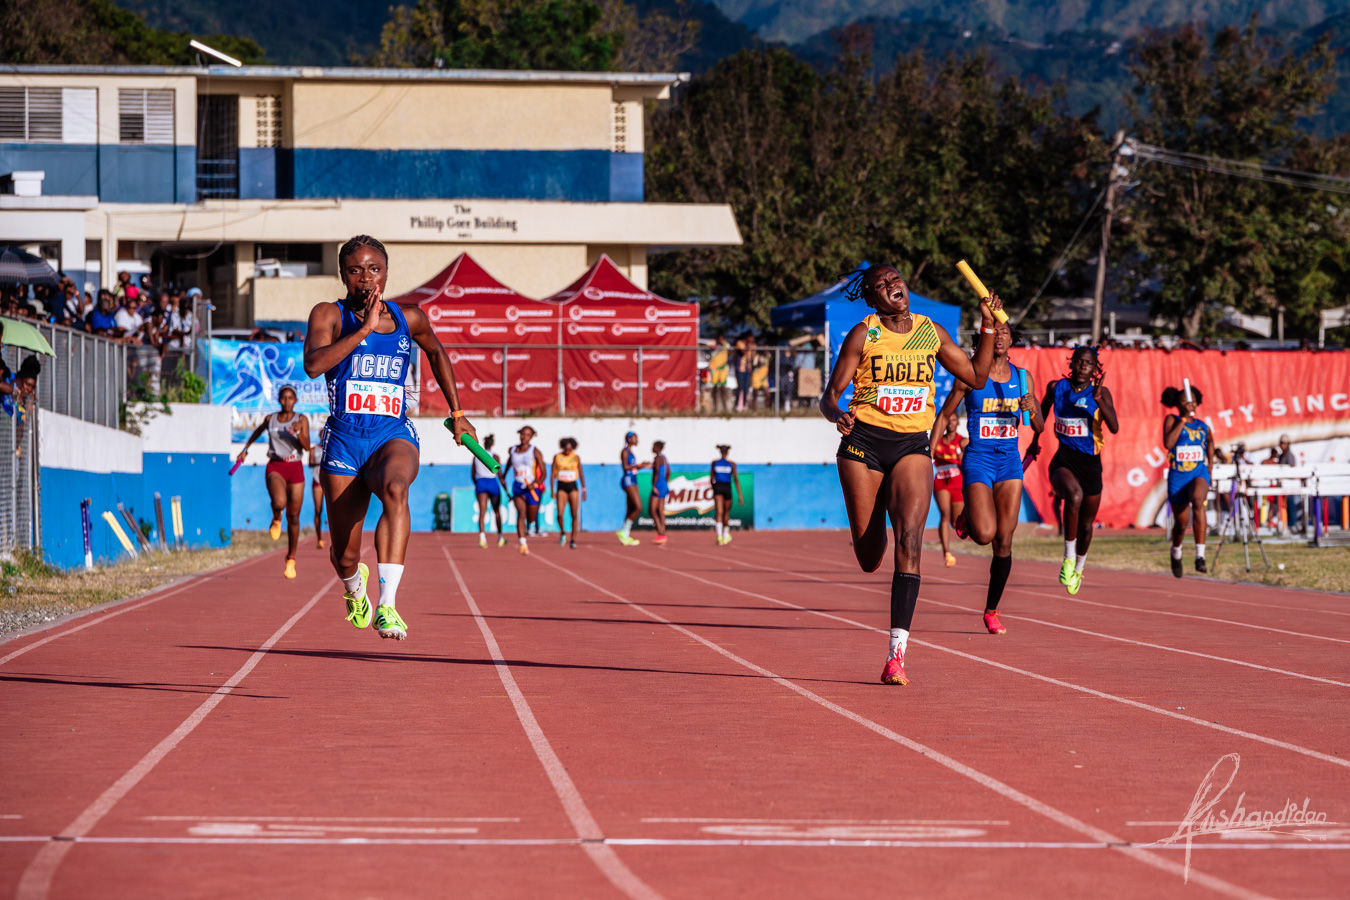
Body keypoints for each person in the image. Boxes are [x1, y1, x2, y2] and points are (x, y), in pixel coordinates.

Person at [821, 264, 1000, 686]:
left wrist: (988, 326)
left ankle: (895, 655)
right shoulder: (864, 334)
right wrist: (836, 414)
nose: (891, 287)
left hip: (910, 445)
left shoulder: (929, 331)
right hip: (863, 444)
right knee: (869, 558)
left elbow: (976, 377)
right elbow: (829, 397)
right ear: (872, 299)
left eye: (894, 280)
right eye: (881, 286)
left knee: (910, 541)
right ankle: (881, 504)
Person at [303, 234, 477, 641]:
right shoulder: (329, 314)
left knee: (397, 489)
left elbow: (436, 352)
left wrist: (458, 413)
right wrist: (363, 329)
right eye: (355, 270)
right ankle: (354, 588)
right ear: (342, 275)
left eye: (374, 269)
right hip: (344, 440)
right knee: (344, 555)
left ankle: (388, 605)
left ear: (386, 272)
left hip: (391, 432)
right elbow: (313, 365)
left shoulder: (408, 318)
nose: (366, 277)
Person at [934, 321, 1043, 634]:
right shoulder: (970, 375)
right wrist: (928, 450)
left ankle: (992, 610)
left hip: (1009, 462)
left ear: (1012, 340)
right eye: (994, 332)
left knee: (1004, 541)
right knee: (983, 534)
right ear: (985, 338)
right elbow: (945, 414)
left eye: (1005, 332)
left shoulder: (1022, 378)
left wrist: (1032, 408)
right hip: (979, 460)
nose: (999, 337)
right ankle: (969, 515)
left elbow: (1038, 427)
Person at [1024, 345, 1119, 595]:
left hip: (1091, 464)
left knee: (1087, 525)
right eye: (1078, 361)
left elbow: (1114, 427)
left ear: (1095, 369)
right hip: (1064, 460)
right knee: (1073, 496)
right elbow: (1042, 415)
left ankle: (1078, 568)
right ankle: (1067, 557)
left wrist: (1099, 400)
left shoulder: (1100, 392)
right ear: (1072, 363)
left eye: (1088, 363)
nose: (1082, 366)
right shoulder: (1057, 388)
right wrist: (1034, 442)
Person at [235, 386, 311, 579]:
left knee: (294, 516)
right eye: (283, 398)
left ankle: (291, 558)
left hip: (295, 467)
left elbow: (306, 447)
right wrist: (245, 450)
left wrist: (298, 433)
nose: (287, 401)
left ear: (295, 400)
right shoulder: (271, 419)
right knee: (279, 502)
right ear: (279, 400)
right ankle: (277, 517)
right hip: (276, 466)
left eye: (290, 398)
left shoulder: (301, 419)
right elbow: (257, 431)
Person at [1161, 384, 1213, 577]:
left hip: (1198, 473)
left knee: (1198, 500)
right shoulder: (1172, 420)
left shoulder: (1202, 425)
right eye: (1184, 401)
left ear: (1197, 403)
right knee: (1181, 523)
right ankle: (1176, 551)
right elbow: (1168, 443)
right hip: (1178, 476)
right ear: (1178, 404)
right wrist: (1183, 420)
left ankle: (1200, 555)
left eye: (1192, 401)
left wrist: (1210, 467)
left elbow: (1210, 442)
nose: (1189, 404)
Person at [929, 412, 966, 568]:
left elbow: (968, 460)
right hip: (941, 480)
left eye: (954, 420)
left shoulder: (962, 441)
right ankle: (947, 553)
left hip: (957, 481)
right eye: (948, 420)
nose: (951, 423)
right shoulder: (937, 441)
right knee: (945, 514)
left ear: (958, 423)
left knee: (956, 523)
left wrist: (961, 456)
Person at [507, 426, 545, 554]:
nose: (524, 437)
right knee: (521, 513)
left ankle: (530, 527)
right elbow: (508, 465)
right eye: (522, 434)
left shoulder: (535, 451)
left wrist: (536, 484)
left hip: (531, 488)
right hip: (518, 486)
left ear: (531, 437)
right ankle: (522, 542)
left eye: (528, 435)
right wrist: (502, 476)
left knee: (531, 518)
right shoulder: (513, 450)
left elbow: (544, 473)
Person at [473, 433, 508, 548]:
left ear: (484, 444)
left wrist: (478, 484)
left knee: (482, 512)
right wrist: (507, 492)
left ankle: (482, 538)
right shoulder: (495, 456)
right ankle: (500, 537)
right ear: (492, 444)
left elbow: (472, 475)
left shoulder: (476, 456)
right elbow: (500, 476)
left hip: (481, 482)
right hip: (492, 483)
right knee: (496, 511)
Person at [552, 437, 586, 549]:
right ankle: (563, 532)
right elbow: (552, 474)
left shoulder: (576, 457)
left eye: (570, 449)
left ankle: (573, 539)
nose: (568, 451)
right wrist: (552, 490)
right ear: (563, 447)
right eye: (566, 449)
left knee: (574, 514)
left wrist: (584, 489)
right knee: (560, 514)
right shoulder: (558, 457)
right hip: (561, 486)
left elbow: (581, 473)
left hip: (573, 486)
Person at [615, 430, 648, 546]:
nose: (637, 440)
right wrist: (639, 465)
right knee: (638, 507)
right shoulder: (625, 451)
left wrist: (642, 466)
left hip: (633, 479)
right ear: (629, 439)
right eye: (635, 438)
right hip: (628, 480)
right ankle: (624, 531)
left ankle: (625, 536)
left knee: (630, 509)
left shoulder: (631, 452)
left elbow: (633, 467)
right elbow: (625, 467)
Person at [709, 443, 742, 545]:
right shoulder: (731, 464)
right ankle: (724, 535)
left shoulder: (715, 463)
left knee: (719, 512)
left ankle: (720, 536)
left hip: (718, 487)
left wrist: (713, 489)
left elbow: (711, 478)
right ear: (727, 453)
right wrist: (740, 495)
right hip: (726, 487)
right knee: (726, 513)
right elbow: (736, 479)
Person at [1277, 434, 1303, 532]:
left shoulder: (1289, 456)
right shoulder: (1282, 456)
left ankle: (1293, 525)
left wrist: (1288, 482)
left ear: (1288, 444)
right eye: (1281, 443)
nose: (1282, 445)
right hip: (1283, 484)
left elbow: (1292, 471)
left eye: (1284, 443)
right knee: (1285, 506)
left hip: (1290, 485)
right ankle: (1287, 525)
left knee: (1291, 505)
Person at [310, 421, 328, 550]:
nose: (323, 437)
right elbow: (310, 462)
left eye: (325, 435)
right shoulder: (314, 449)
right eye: (321, 435)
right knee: (318, 510)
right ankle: (319, 538)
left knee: (334, 510)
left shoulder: (331, 448)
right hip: (317, 480)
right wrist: (320, 462)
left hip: (329, 481)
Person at [649, 440, 671, 545]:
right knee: (660, 510)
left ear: (658, 447)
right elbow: (668, 472)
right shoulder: (664, 458)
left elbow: (657, 472)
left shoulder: (657, 458)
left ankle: (660, 532)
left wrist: (654, 485)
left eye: (653, 446)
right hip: (663, 484)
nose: (652, 448)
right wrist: (665, 482)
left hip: (658, 485)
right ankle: (663, 533)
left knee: (652, 510)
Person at [708, 336, 730, 414]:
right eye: (719, 339)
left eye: (722, 339)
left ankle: (725, 407)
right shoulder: (713, 343)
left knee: (723, 388)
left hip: (723, 369)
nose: (721, 340)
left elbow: (728, 347)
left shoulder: (725, 345)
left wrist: (722, 343)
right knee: (715, 388)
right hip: (714, 369)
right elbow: (710, 347)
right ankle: (715, 407)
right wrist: (717, 345)